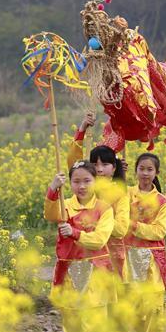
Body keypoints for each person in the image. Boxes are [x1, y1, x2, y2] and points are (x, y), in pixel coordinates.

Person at [44, 161, 115, 332]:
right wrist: (53, 187)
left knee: (94, 324)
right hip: (69, 272)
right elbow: (49, 214)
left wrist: (75, 233)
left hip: (96, 271)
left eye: (87, 181)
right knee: (72, 327)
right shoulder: (64, 205)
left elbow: (100, 240)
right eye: (76, 181)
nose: (81, 186)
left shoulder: (104, 209)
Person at [67, 111, 130, 282]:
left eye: (105, 164)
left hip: (112, 254)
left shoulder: (120, 195)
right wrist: (82, 129)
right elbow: (74, 163)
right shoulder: (87, 191)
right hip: (86, 252)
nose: (100, 169)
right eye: (95, 164)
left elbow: (121, 230)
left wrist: (96, 222)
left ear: (114, 168)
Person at [125, 153, 166, 332]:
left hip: (153, 257)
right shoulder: (126, 194)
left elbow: (159, 231)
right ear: (135, 170)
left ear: (156, 173)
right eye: (141, 168)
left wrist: (134, 226)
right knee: (134, 305)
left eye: (149, 169)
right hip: (130, 255)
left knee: (154, 304)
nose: (145, 173)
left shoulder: (162, 201)